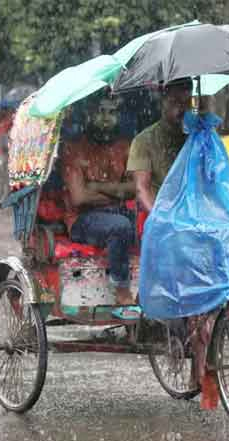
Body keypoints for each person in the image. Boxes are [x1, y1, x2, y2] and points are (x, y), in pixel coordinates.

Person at [61, 96, 137, 305]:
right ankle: (122, 289)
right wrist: (118, 192)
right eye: (100, 112)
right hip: (82, 220)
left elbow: (135, 188)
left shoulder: (125, 147)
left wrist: (97, 187)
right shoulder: (73, 149)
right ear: (89, 115)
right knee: (120, 226)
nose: (106, 118)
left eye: (112, 113)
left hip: (119, 213)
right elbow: (79, 198)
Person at [127, 79, 193, 213]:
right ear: (162, 102)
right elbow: (142, 189)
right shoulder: (143, 141)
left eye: (187, 102)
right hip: (160, 213)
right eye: (175, 102)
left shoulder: (198, 138)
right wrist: (159, 219)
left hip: (196, 213)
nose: (182, 108)